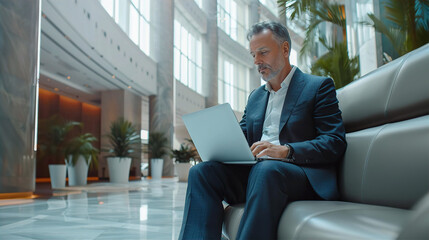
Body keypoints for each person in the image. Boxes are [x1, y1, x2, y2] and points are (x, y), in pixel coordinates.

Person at [179, 21, 347, 240]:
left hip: (299, 175)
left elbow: (334, 141)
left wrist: (286, 151)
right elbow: (240, 138)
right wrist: (217, 148)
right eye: (253, 55)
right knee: (201, 172)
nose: (257, 61)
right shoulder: (256, 97)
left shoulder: (318, 87)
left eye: (263, 53)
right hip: (258, 175)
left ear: (285, 49)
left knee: (266, 169)